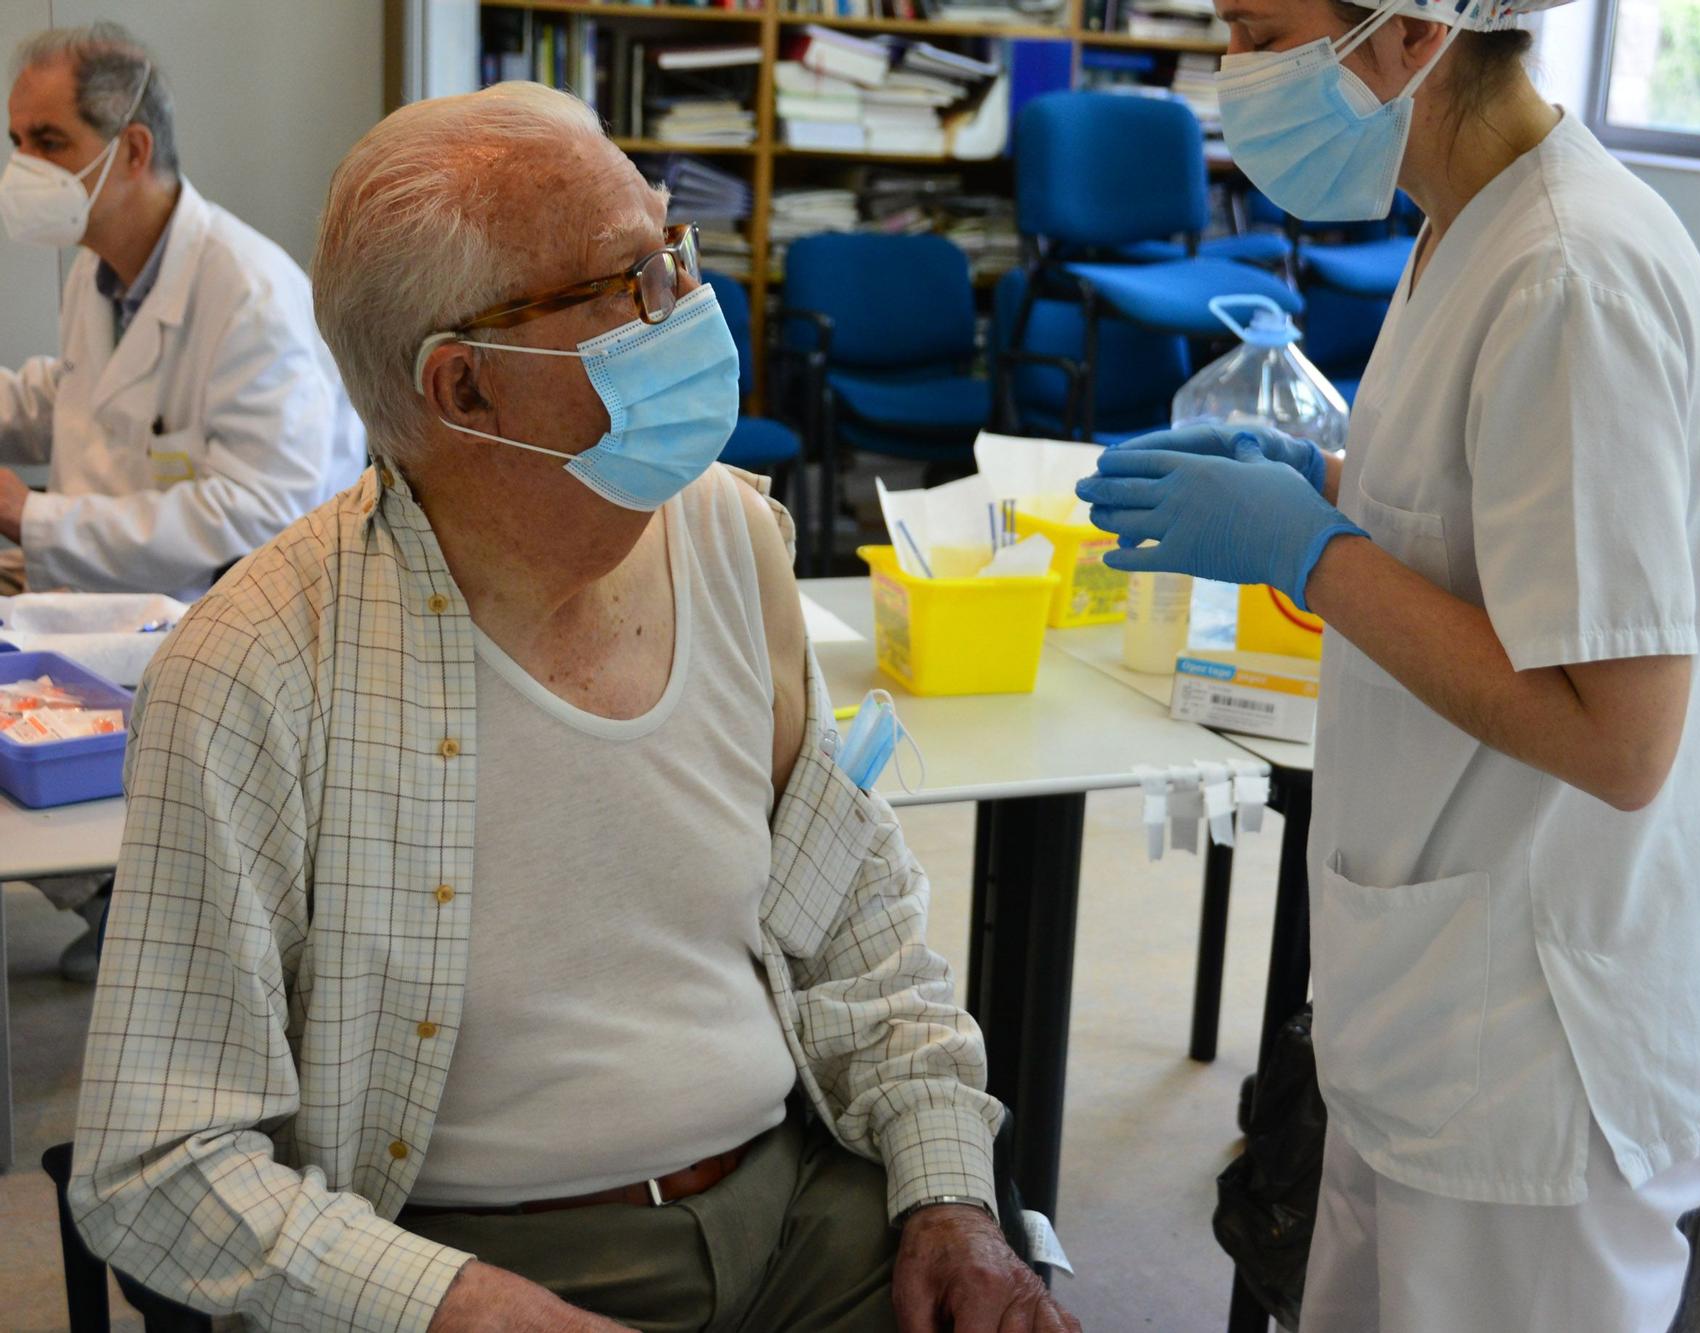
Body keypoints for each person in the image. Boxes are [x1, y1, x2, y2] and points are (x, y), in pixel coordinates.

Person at [68, 83, 1078, 1333]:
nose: (695, 309)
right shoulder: (257, 669)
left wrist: (947, 1200)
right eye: (633, 283)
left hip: (804, 1200)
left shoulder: (733, 541)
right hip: (485, 1259)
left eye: (675, 250)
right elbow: (153, 1164)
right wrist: (464, 1310)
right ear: (466, 386)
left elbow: (857, 932)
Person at [1079, 1, 1700, 1328]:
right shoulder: (1471, 220)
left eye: (1264, 29)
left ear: (1406, 37)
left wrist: (1317, 555)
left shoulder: (1571, 271)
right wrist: (1326, 484)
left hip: (1540, 1051)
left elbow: (1620, 740)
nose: (1239, 75)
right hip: (1440, 1000)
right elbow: (1502, 524)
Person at [0, 23, 365, 981]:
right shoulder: (102, 268)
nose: (22, 167)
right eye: (16, 144)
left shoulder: (248, 292)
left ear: (132, 149)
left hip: (221, 624)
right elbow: (75, 396)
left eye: (48, 143)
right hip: (117, 602)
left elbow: (266, 507)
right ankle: (124, 896)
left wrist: (28, 518)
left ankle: (159, 904)